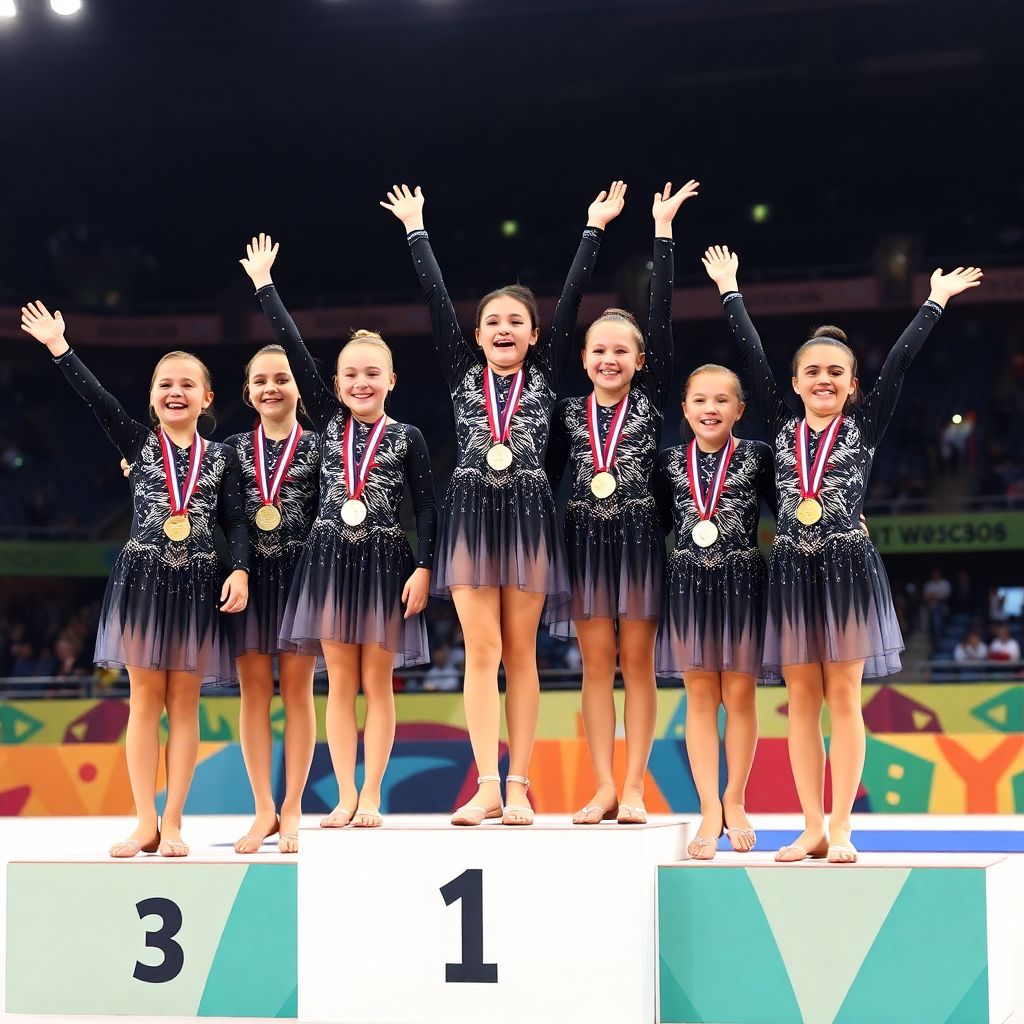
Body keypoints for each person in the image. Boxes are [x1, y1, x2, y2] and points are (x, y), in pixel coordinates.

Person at [702, 245, 982, 863]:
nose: (823, 379)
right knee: (801, 703)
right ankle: (811, 826)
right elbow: (752, 354)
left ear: (854, 386)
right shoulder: (780, 426)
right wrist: (730, 290)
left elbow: (901, 362)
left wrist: (934, 301)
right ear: (795, 383)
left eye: (836, 371)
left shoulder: (864, 426)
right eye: (812, 371)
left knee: (844, 699)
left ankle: (844, 826)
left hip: (847, 569)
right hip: (791, 570)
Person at [381, 181, 625, 825]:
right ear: (477, 334)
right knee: (481, 651)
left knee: (520, 654)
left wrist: (594, 229)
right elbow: (436, 298)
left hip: (527, 519)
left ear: (536, 335)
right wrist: (416, 230)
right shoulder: (462, 373)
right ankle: (486, 784)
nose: (504, 328)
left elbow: (573, 296)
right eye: (492, 321)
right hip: (468, 517)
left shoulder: (544, 374)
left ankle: (519, 785)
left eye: (516, 321)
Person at [20, 301, 250, 858]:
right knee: (144, 701)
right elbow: (97, 398)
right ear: (151, 398)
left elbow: (237, 521)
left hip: (197, 582)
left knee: (185, 704)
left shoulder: (223, 457)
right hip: (144, 580)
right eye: (165, 384)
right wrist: (60, 349)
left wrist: (241, 569)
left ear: (207, 397)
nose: (176, 392)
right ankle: (144, 820)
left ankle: (174, 823)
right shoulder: (138, 445)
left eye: (187, 384)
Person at [241, 235, 436, 830]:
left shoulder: (408, 437)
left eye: (372, 373)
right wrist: (265, 286)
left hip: (384, 561)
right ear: (334, 382)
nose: (360, 383)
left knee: (377, 683)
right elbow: (295, 350)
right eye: (350, 374)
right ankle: (345, 795)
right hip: (327, 560)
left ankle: (372, 793)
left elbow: (428, 509)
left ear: (392, 379)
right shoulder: (328, 422)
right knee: (339, 684)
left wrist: (424, 566)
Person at [546, 180, 699, 825]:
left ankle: (635, 787)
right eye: (599, 351)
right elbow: (545, 481)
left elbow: (660, 312)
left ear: (640, 360)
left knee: (637, 665)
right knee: (594, 667)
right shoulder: (563, 411)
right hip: (583, 543)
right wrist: (593, 230)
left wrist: (662, 232)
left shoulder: (650, 399)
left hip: (638, 540)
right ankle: (604, 785)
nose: (610, 359)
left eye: (622, 352)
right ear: (583, 359)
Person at [654, 365, 774, 857]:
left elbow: (790, 508)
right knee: (700, 697)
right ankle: (708, 806)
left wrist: (850, 515)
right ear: (684, 409)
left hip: (743, 582)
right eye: (700, 400)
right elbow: (657, 524)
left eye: (722, 400)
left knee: (740, 695)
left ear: (739, 410)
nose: (711, 408)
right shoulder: (667, 463)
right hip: (688, 583)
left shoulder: (758, 456)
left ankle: (735, 799)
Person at [225, 345, 321, 853]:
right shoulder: (231, 450)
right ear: (248, 391)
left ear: (298, 386)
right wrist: (137, 466)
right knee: (254, 693)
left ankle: (293, 807)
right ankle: (264, 808)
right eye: (261, 380)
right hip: (248, 580)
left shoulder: (322, 446)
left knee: (297, 692)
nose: (271, 388)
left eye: (282, 378)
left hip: (302, 578)